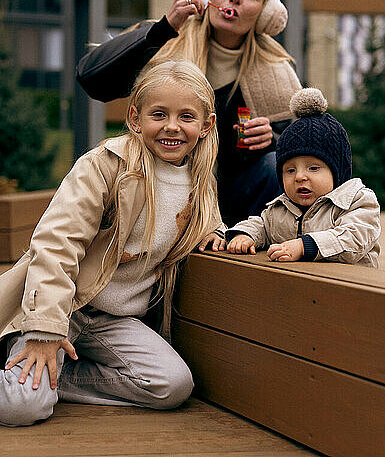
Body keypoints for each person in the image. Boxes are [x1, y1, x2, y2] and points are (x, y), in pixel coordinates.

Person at [0, 61, 226, 427]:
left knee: (171, 385)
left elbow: (206, 226)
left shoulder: (201, 184)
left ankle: (53, 380)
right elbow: (57, 242)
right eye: (159, 114)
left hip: (114, 320)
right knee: (22, 407)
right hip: (64, 307)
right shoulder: (106, 166)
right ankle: (31, 370)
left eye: (186, 116)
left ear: (206, 125)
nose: (172, 126)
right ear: (135, 119)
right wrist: (44, 331)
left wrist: (217, 234)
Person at [76, 0, 302, 227]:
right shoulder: (167, 38)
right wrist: (164, 27)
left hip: (234, 206)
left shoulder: (277, 70)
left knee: (273, 167)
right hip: (163, 191)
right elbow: (91, 79)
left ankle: (247, 258)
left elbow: (305, 151)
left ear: (266, 13)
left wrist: (275, 140)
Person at [225, 88, 380, 267]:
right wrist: (244, 235)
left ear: (338, 170)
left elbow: (354, 237)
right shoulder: (281, 207)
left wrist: (304, 246)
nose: (299, 177)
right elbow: (262, 225)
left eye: (313, 168)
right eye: (290, 170)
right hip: (305, 288)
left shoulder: (357, 201)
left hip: (351, 288)